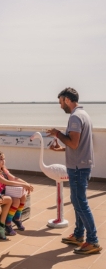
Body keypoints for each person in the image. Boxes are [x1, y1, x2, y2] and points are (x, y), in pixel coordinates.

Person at [47, 87, 102, 255]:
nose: (60, 105)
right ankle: (79, 235)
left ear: (68, 100)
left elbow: (74, 143)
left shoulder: (76, 117)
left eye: (61, 102)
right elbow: (78, 145)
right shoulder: (83, 115)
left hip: (78, 168)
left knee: (80, 203)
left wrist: (57, 133)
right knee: (78, 201)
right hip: (81, 165)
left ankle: (92, 241)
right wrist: (61, 149)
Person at [0, 151, 33, 235]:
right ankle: (8, 223)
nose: (3, 161)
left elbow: (13, 178)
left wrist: (27, 184)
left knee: (23, 196)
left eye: (4, 159)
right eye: (1, 159)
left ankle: (16, 218)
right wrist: (24, 184)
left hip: (4, 192)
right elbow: (7, 182)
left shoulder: (3, 169)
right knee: (16, 201)